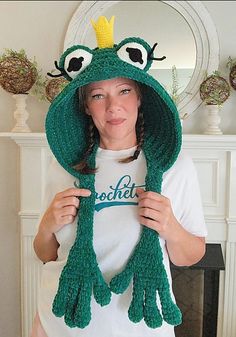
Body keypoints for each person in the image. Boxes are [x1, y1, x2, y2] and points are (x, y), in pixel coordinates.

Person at [31, 16, 207, 337]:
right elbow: (47, 254)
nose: (114, 106)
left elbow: (191, 254)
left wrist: (170, 226)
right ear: (86, 107)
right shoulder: (66, 165)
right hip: (61, 324)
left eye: (124, 90)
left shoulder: (173, 165)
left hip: (139, 327)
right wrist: (46, 226)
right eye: (98, 95)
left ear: (140, 97)